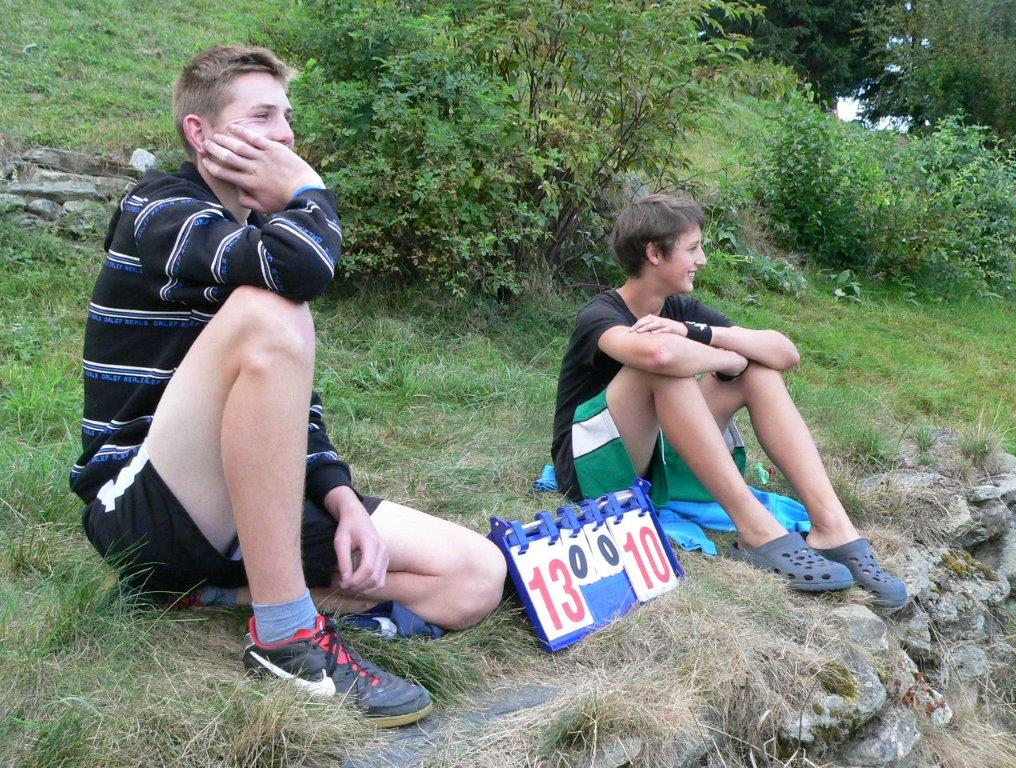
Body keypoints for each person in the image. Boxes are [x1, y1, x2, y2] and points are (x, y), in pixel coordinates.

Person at [71, 45, 506, 727]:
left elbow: (289, 400)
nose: (286, 134)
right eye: (263, 116)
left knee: (475, 577)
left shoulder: (255, 236)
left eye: (288, 117)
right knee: (273, 313)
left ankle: (215, 596)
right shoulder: (159, 211)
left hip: (243, 506)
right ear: (200, 134)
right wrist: (307, 187)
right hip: (144, 508)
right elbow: (299, 271)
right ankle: (285, 636)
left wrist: (339, 495)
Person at [550, 194, 907, 608]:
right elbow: (660, 356)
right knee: (665, 370)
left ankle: (832, 528)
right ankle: (756, 530)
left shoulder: (679, 309)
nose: (702, 259)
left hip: (655, 460)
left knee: (758, 372)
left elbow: (784, 352)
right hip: (592, 473)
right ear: (654, 253)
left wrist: (702, 334)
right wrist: (725, 357)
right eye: (693, 249)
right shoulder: (600, 314)